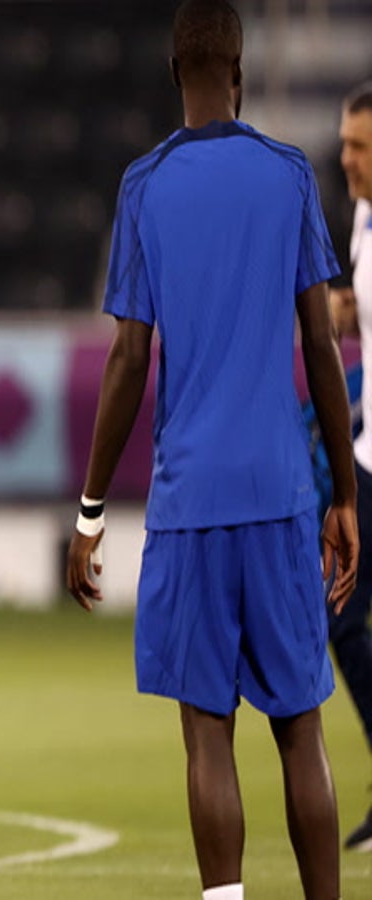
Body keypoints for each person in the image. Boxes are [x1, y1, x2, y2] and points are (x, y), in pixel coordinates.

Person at [64, 3, 358, 899]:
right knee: (301, 729)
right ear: (237, 69)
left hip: (192, 503)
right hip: (281, 492)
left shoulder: (145, 184)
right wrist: (342, 493)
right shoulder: (289, 174)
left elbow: (127, 357)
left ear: (173, 71)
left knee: (207, 731)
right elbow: (322, 344)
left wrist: (89, 511)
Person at [326, 80, 372, 852]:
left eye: (361, 146)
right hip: (368, 459)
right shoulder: (364, 219)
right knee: (340, 617)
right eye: (344, 143)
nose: (346, 159)